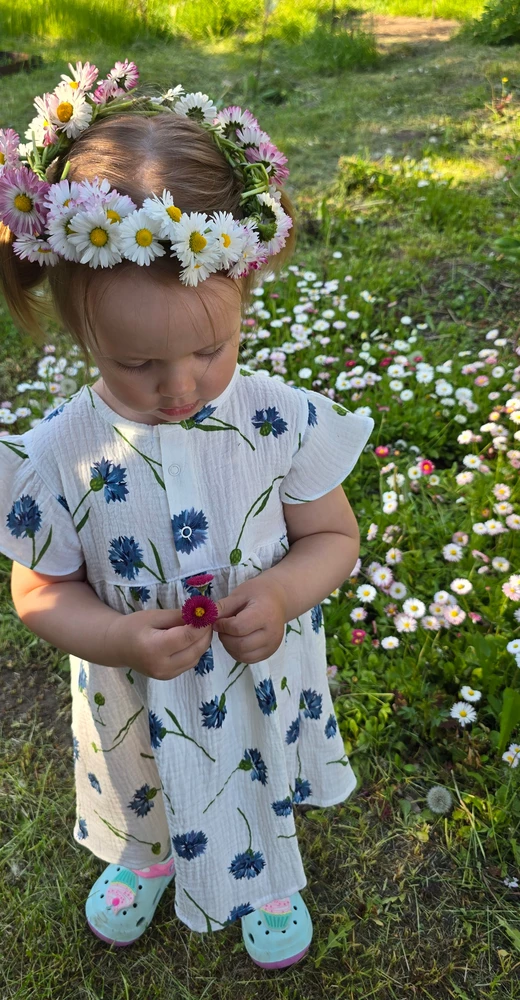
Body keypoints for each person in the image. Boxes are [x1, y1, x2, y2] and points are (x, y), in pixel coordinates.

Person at [0, 59, 374, 968]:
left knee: (258, 765)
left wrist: (283, 593)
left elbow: (335, 536)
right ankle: (145, 852)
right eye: (136, 364)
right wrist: (116, 639)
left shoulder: (279, 417)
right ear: (82, 328)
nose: (180, 388)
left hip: (259, 670)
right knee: (141, 776)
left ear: (243, 292)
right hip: (137, 683)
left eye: (211, 349)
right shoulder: (57, 454)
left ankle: (268, 864)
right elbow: (39, 592)